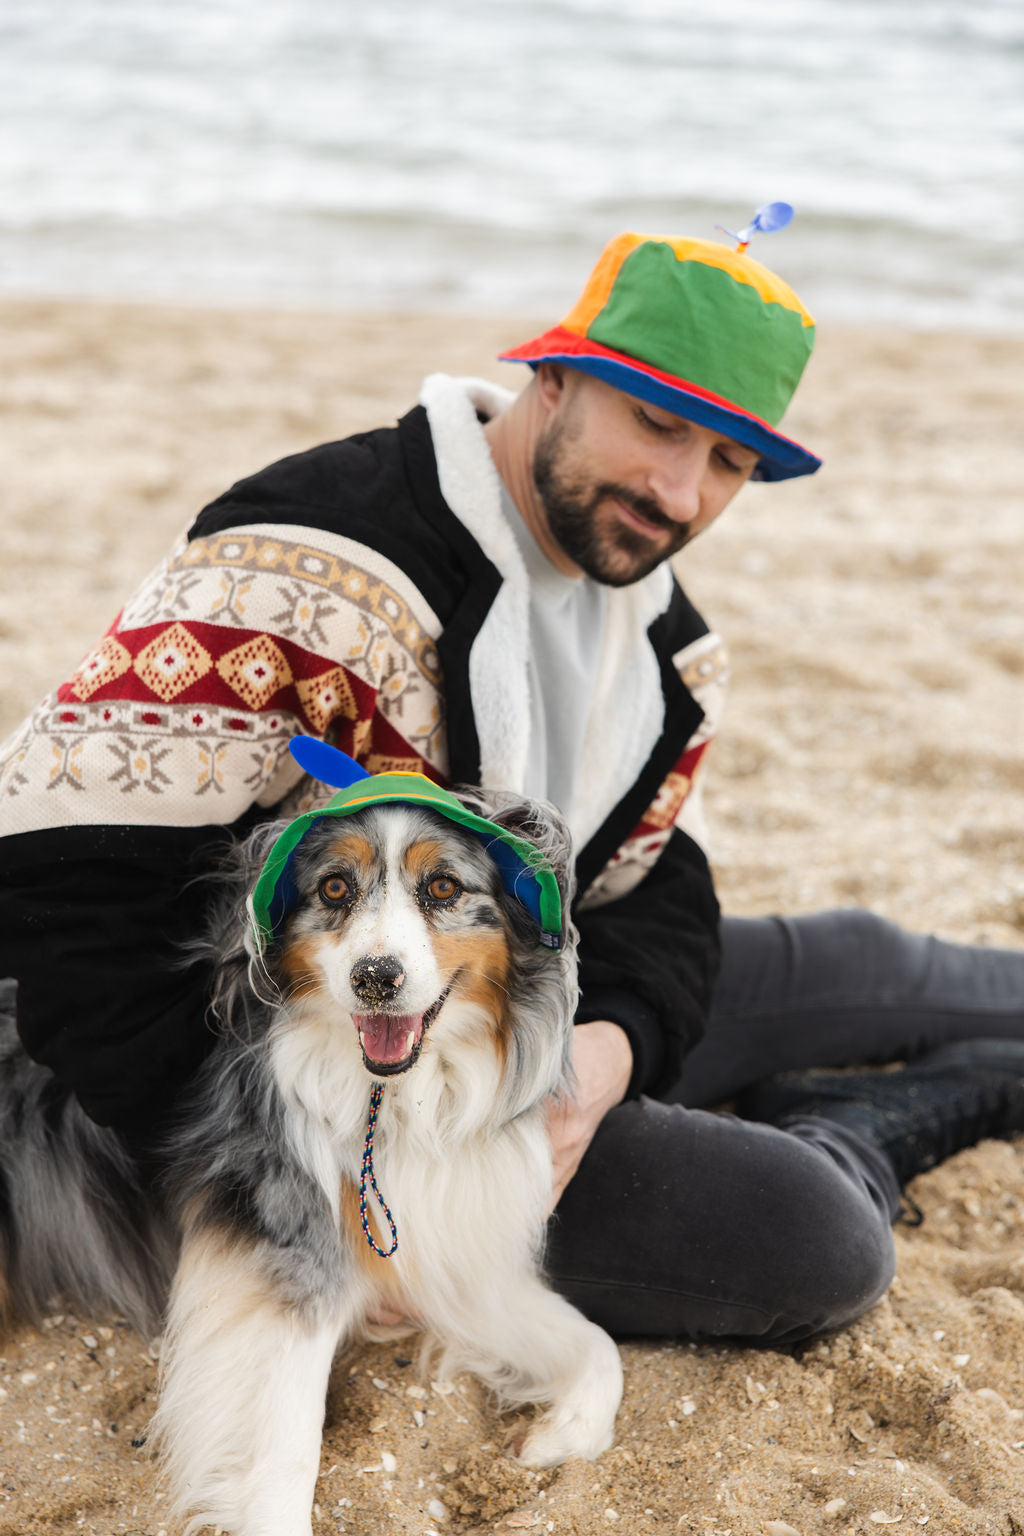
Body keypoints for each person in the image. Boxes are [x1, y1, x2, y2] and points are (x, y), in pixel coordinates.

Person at [2, 228, 1023, 1345]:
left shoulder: (665, 647)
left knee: (871, 962)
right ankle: (873, 1120)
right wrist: (293, 1200)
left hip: (507, 1009)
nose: (680, 492)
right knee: (813, 1235)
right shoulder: (313, 566)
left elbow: (652, 882)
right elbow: (58, 884)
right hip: (297, 1110)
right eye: (660, 423)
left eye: (731, 462)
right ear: (557, 376)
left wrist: (611, 1051)